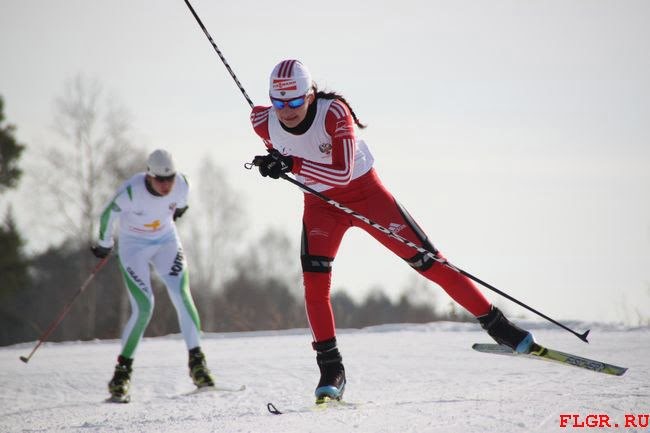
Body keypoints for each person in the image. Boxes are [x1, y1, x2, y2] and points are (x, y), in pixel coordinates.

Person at [250, 59, 535, 402]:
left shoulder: (334, 112)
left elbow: (341, 172)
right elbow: (283, 152)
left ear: (310, 95)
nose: (287, 111)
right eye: (279, 102)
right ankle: (331, 368)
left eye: (295, 101)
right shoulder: (262, 121)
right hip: (320, 207)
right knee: (314, 282)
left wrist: (290, 163)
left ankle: (498, 326)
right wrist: (272, 162)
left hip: (366, 196)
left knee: (430, 263)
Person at [91, 149, 214, 402]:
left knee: (181, 294)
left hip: (166, 242)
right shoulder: (132, 191)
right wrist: (104, 243)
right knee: (144, 307)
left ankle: (198, 365)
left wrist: (179, 210)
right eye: (160, 179)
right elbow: (107, 215)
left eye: (170, 178)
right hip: (133, 248)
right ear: (149, 176)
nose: (166, 184)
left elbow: (181, 204)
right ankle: (121, 374)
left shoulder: (182, 184)